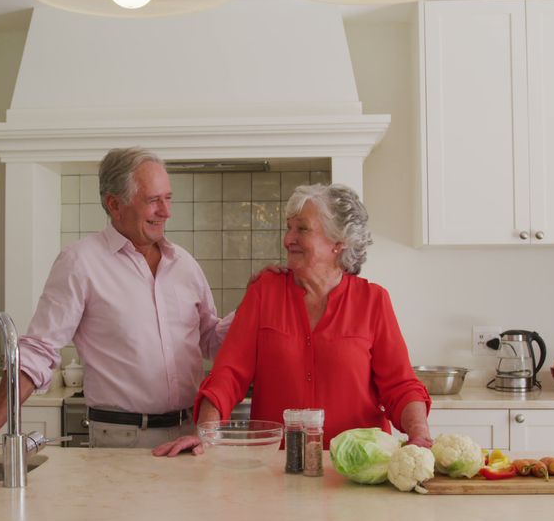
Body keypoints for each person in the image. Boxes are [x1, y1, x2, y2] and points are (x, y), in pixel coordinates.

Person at [0, 147, 233, 453]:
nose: (166, 211)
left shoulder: (184, 264)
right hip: (121, 440)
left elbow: (210, 342)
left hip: (189, 437)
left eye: (167, 198)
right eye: (153, 201)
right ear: (114, 204)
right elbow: (36, 353)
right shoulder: (80, 262)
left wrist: (256, 304)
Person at [153, 183, 432, 457]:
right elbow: (228, 374)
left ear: (338, 242)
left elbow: (400, 385)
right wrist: (206, 434)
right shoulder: (265, 291)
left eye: (302, 229)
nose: (288, 239)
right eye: (288, 228)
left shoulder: (373, 301)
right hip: (279, 468)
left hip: (357, 468)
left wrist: (419, 434)